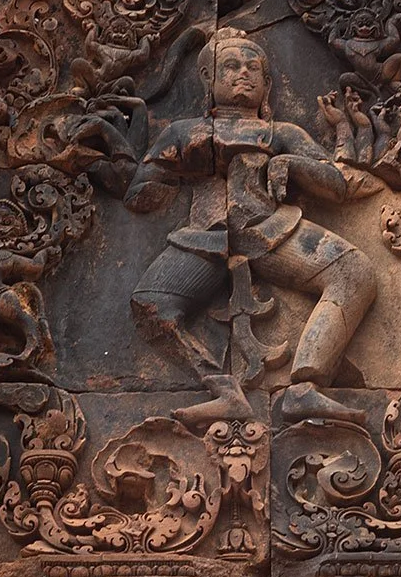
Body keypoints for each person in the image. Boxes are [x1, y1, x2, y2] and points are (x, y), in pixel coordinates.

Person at [126, 28, 385, 424]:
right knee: (150, 306)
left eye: (253, 68)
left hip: (270, 230)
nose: (242, 73)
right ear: (209, 81)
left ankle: (304, 387)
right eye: (229, 66)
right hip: (204, 239)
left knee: (356, 272)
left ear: (267, 86)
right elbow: (141, 195)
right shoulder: (183, 131)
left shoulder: (281, 133)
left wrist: (290, 163)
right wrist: (179, 167)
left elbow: (334, 184)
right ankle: (223, 389)